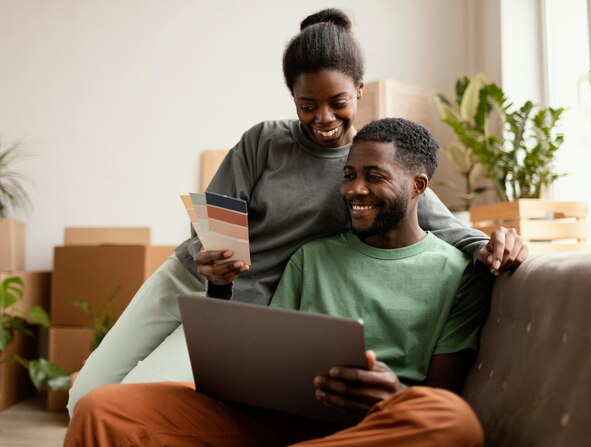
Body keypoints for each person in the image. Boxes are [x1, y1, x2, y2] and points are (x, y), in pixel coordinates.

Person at [67, 8, 527, 417]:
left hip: (235, 311)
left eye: (338, 103)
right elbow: (212, 225)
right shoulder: (263, 142)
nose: (324, 118)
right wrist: (210, 253)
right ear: (292, 98)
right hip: (186, 278)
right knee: (82, 394)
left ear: (359, 91)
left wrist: (501, 243)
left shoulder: (372, 164)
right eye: (308, 105)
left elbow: (449, 230)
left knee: (131, 402)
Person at [64, 118, 490, 446]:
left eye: (374, 176)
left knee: (452, 419)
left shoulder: (459, 271)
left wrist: (392, 393)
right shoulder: (311, 256)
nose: (354, 190)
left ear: (418, 186)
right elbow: (270, 362)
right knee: (104, 407)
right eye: (348, 175)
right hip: (279, 420)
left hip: (372, 427)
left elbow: (440, 391)